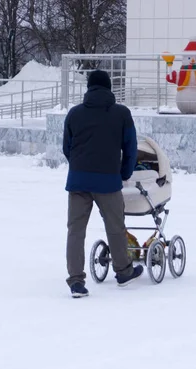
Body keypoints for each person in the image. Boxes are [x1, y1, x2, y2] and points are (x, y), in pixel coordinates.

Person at [62, 69, 143, 298]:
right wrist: (123, 173)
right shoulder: (121, 114)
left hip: (78, 181)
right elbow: (130, 148)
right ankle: (123, 271)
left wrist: (79, 167)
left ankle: (76, 281)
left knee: (75, 230)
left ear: (89, 88)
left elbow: (67, 147)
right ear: (109, 88)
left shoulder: (74, 114)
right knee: (115, 226)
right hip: (108, 180)